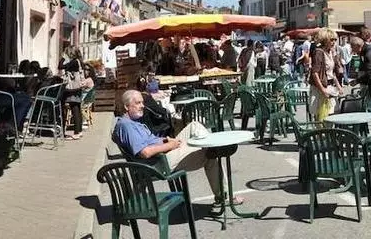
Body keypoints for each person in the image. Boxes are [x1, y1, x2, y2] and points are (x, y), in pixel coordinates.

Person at [113, 89, 243, 205]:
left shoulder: (131, 122)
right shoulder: (127, 126)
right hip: (159, 164)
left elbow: (147, 142)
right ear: (126, 106)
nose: (142, 106)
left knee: (194, 126)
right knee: (210, 154)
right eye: (138, 103)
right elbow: (145, 152)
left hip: (162, 154)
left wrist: (164, 140)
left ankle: (213, 146)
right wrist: (170, 145)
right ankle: (224, 196)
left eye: (142, 102)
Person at [308, 28, 344, 121]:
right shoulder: (318, 52)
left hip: (330, 86)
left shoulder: (331, 52)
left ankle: (329, 134)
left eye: (335, 40)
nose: (334, 42)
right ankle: (320, 135)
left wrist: (339, 86)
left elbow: (332, 72)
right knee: (321, 116)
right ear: (325, 40)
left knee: (332, 114)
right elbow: (314, 73)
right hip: (320, 87)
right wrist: (322, 89)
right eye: (331, 40)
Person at [63, 50, 90, 140]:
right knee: (77, 109)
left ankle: (76, 132)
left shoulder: (73, 62)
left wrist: (63, 58)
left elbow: (61, 66)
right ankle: (79, 131)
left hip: (73, 88)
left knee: (75, 109)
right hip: (78, 87)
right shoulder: (79, 62)